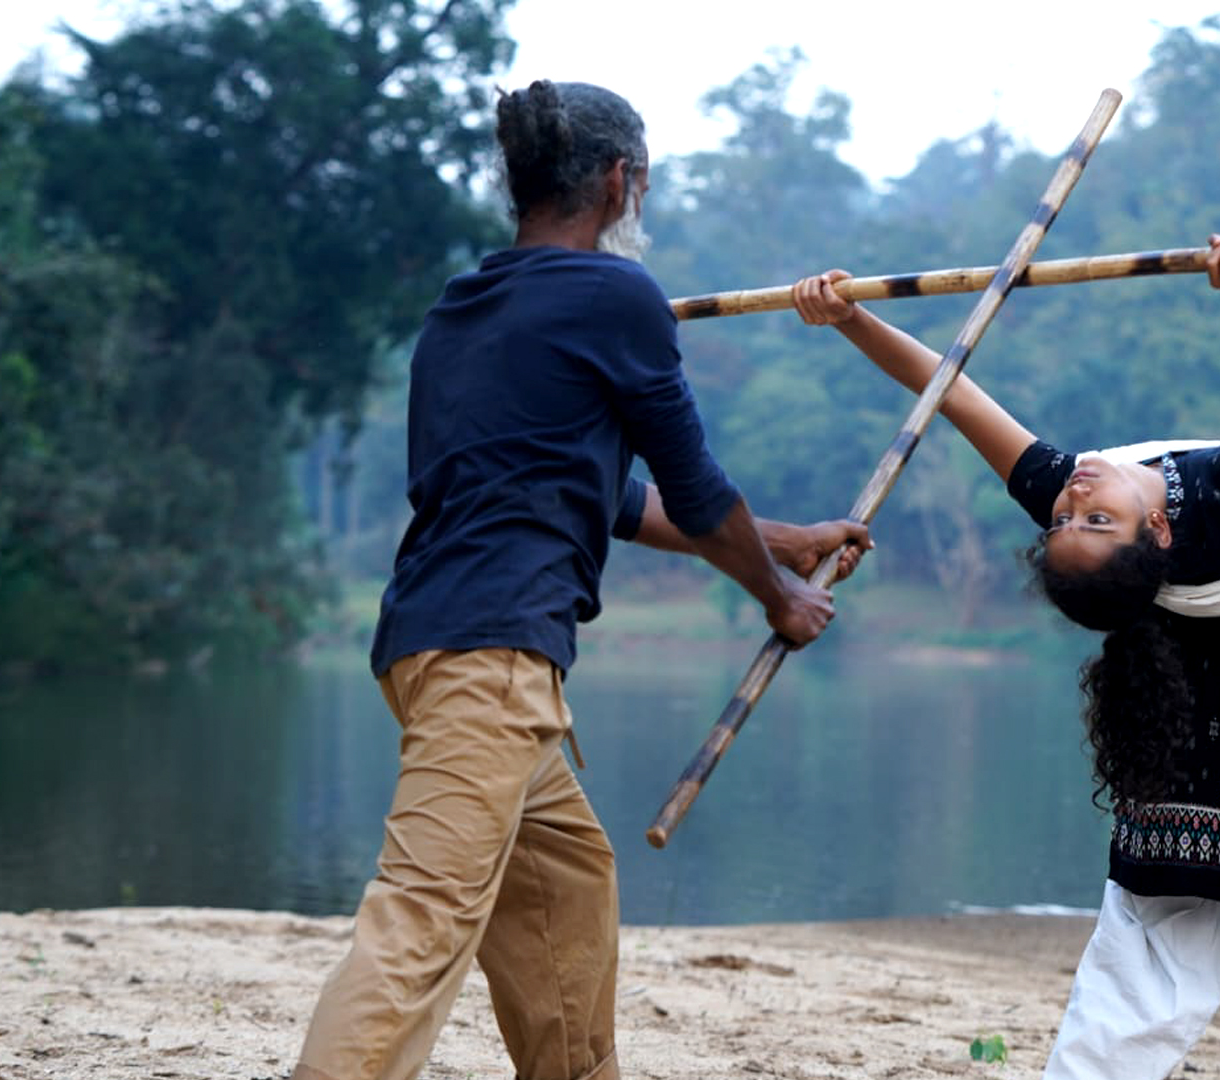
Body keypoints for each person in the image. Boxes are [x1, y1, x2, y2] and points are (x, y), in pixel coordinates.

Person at [292, 80, 870, 1080]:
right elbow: (692, 489)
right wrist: (780, 596)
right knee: (422, 925)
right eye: (641, 180)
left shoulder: (465, 308)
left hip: (441, 645)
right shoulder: (616, 296)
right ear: (619, 181)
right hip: (491, 656)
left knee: (565, 883)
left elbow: (608, 497)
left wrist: (783, 540)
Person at [790, 236, 1220, 1080]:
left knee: (1175, 965)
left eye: (1070, 520)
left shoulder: (1074, 489)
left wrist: (849, 318)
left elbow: (950, 396)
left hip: (1188, 736)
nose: (1073, 502)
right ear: (1157, 533)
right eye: (1092, 519)